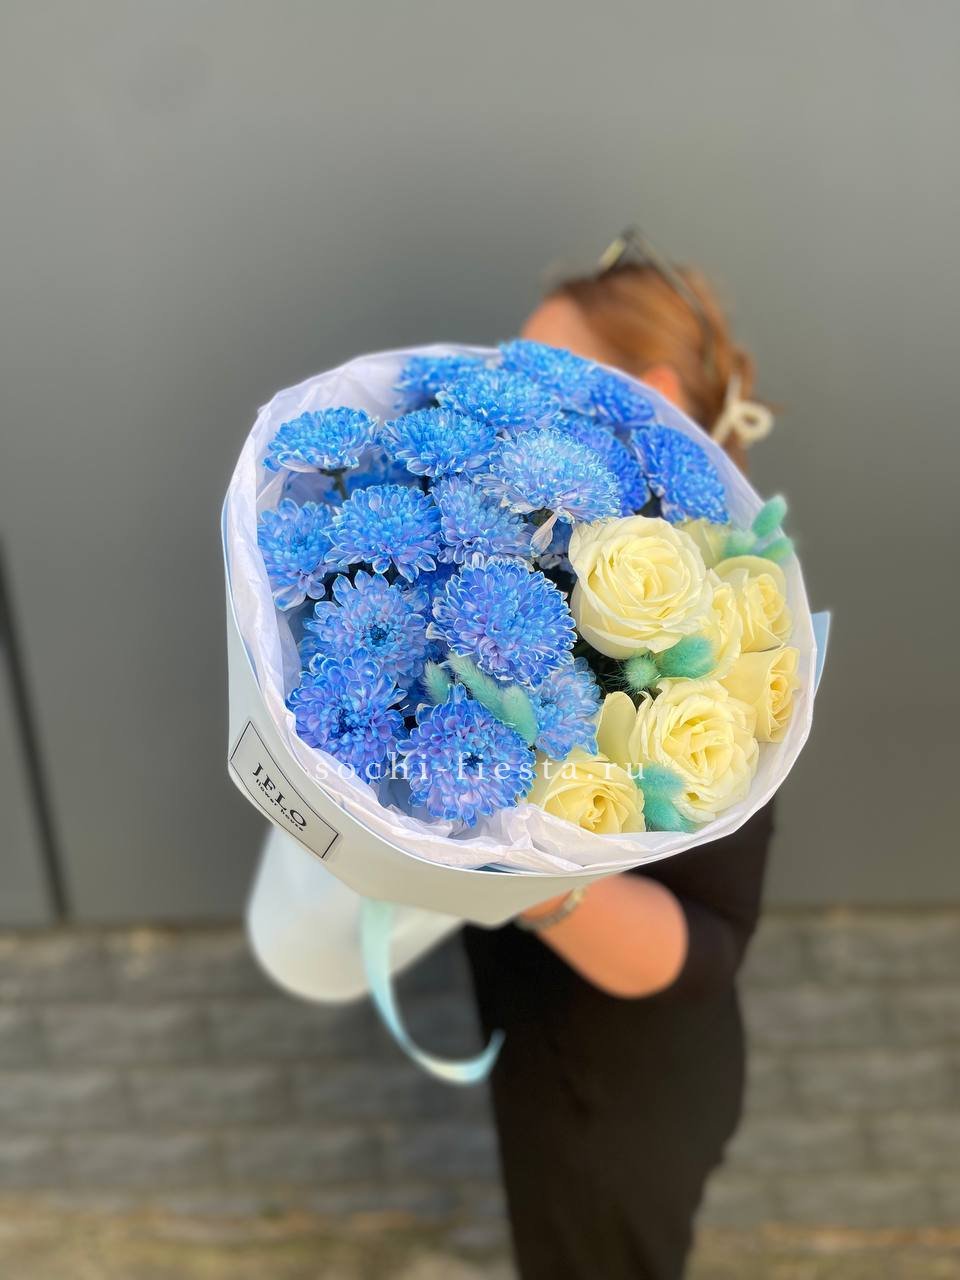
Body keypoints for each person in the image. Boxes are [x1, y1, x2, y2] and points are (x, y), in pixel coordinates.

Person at [463, 231, 775, 1280]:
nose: (512, 397)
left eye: (542, 373)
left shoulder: (717, 616)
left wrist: (497, 846)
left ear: (647, 396)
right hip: (554, 1050)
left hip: (618, 1093)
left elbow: (708, 942)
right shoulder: (541, 557)